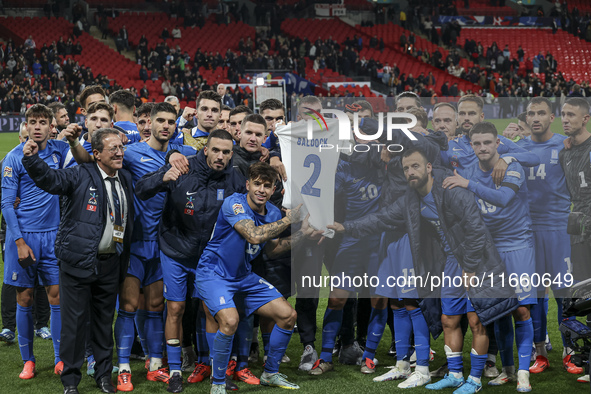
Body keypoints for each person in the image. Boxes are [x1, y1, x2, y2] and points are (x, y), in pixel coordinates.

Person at [330, 147, 517, 391]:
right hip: (450, 263)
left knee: (476, 321)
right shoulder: (411, 199)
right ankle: (456, 374)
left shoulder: (451, 191)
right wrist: (345, 227)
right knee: (449, 319)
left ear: (429, 167)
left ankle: (475, 379)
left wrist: (470, 267)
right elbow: (381, 219)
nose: (410, 172)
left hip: (475, 261)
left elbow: (476, 229)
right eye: (406, 168)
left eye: (416, 166)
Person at [22, 127, 134, 394]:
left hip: (110, 263)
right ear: (96, 154)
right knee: (73, 325)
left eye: (121, 147)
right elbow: (50, 180)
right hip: (77, 264)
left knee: (104, 324)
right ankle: (71, 381)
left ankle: (104, 376)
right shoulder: (80, 174)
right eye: (113, 149)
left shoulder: (125, 178)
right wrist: (31, 159)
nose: (119, 153)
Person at [135, 128, 247, 393]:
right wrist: (162, 178)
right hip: (175, 250)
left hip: (210, 256)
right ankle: (175, 371)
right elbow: (140, 189)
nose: (220, 156)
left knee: (210, 311)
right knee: (175, 309)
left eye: (226, 152)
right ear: (205, 149)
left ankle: (213, 369)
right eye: (216, 150)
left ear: (232, 154)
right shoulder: (182, 166)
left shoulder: (235, 178)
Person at [195, 162, 313, 394]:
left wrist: (303, 234)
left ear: (274, 190)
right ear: (248, 185)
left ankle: (270, 373)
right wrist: (290, 220)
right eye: (257, 184)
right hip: (214, 273)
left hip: (242, 275)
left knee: (288, 315)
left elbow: (273, 250)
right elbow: (253, 236)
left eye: (267, 186)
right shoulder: (234, 203)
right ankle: (218, 384)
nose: (261, 190)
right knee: (229, 321)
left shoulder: (272, 212)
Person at [443, 121, 537, 392]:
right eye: (477, 143)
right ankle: (507, 369)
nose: (482, 147)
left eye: (487, 142)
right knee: (497, 310)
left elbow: (505, 198)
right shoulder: (468, 171)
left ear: (498, 143)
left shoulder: (511, 166)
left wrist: (468, 183)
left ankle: (522, 372)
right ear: (471, 146)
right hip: (488, 249)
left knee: (520, 309)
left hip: (517, 244)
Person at [1, 104, 68, 380]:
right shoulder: (13, 157)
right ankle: (28, 360)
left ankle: (60, 358)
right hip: (24, 237)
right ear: (25, 125)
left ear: (51, 126)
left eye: (43, 121)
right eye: (32, 121)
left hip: (54, 236)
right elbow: (6, 203)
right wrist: (18, 242)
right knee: (25, 298)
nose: (37, 126)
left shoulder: (60, 152)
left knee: (57, 297)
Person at [516, 98, 579, 376]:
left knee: (565, 295)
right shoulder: (518, 148)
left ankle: (571, 349)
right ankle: (540, 352)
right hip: (528, 232)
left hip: (559, 231)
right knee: (536, 296)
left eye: (541, 112)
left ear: (551, 117)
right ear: (526, 118)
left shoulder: (566, 144)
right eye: (531, 113)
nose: (536, 117)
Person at [559, 97, 591, 382]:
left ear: (586, 118)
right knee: (586, 297)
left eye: (571, 114)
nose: (565, 119)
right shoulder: (565, 152)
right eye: (563, 114)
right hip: (578, 231)